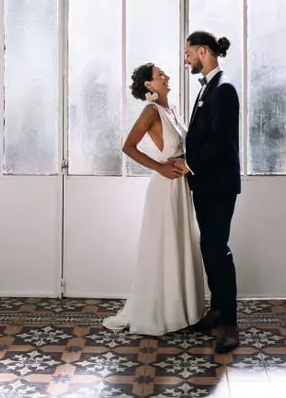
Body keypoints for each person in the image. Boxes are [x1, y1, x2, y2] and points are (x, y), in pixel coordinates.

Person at [102, 64, 205, 335]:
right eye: (160, 75)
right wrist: (159, 167)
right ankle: (164, 311)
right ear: (149, 85)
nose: (166, 77)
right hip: (164, 189)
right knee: (165, 245)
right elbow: (128, 146)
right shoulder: (151, 111)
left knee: (181, 243)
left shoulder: (173, 110)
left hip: (182, 188)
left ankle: (185, 310)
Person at [174, 31, 241, 354]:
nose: (185, 60)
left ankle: (230, 324)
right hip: (205, 184)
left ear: (202, 52)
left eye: (188, 54)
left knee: (219, 249)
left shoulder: (224, 89)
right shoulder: (210, 88)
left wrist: (190, 164)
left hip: (218, 186)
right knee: (209, 247)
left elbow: (220, 141)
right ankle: (216, 311)